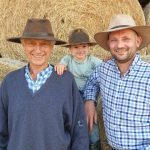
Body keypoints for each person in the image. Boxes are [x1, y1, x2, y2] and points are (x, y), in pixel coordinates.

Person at [0, 18, 89, 150]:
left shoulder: (66, 81)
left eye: (44, 44)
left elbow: (78, 129)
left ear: (52, 46)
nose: (38, 50)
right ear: (23, 45)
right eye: (31, 43)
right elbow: (1, 129)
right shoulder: (10, 82)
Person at [84, 14, 150, 150]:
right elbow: (91, 82)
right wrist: (89, 102)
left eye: (126, 39)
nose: (119, 45)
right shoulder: (103, 69)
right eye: (114, 40)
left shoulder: (148, 76)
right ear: (108, 44)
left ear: (138, 41)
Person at [55, 28, 102, 150]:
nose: (80, 50)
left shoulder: (92, 60)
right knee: (76, 120)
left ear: (89, 48)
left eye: (84, 46)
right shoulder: (68, 59)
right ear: (70, 49)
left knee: (91, 120)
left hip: (89, 95)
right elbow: (62, 64)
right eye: (76, 47)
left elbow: (105, 67)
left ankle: (94, 144)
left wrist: (108, 60)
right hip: (74, 95)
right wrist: (60, 66)